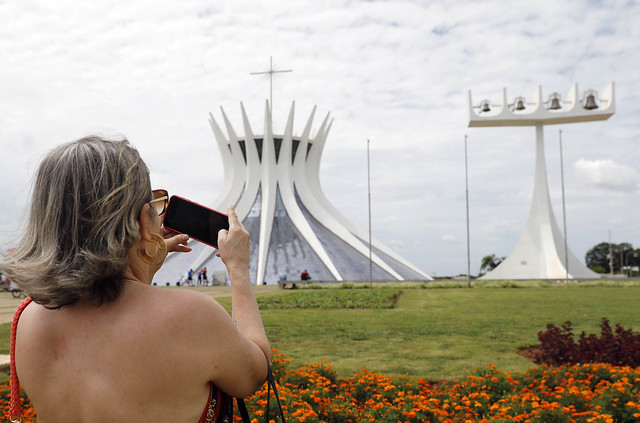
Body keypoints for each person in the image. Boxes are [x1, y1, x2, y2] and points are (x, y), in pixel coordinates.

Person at [0, 136, 271, 422]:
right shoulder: (192, 316)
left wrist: (143, 262)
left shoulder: (28, 320)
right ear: (144, 219)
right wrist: (239, 269)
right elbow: (255, 373)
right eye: (155, 205)